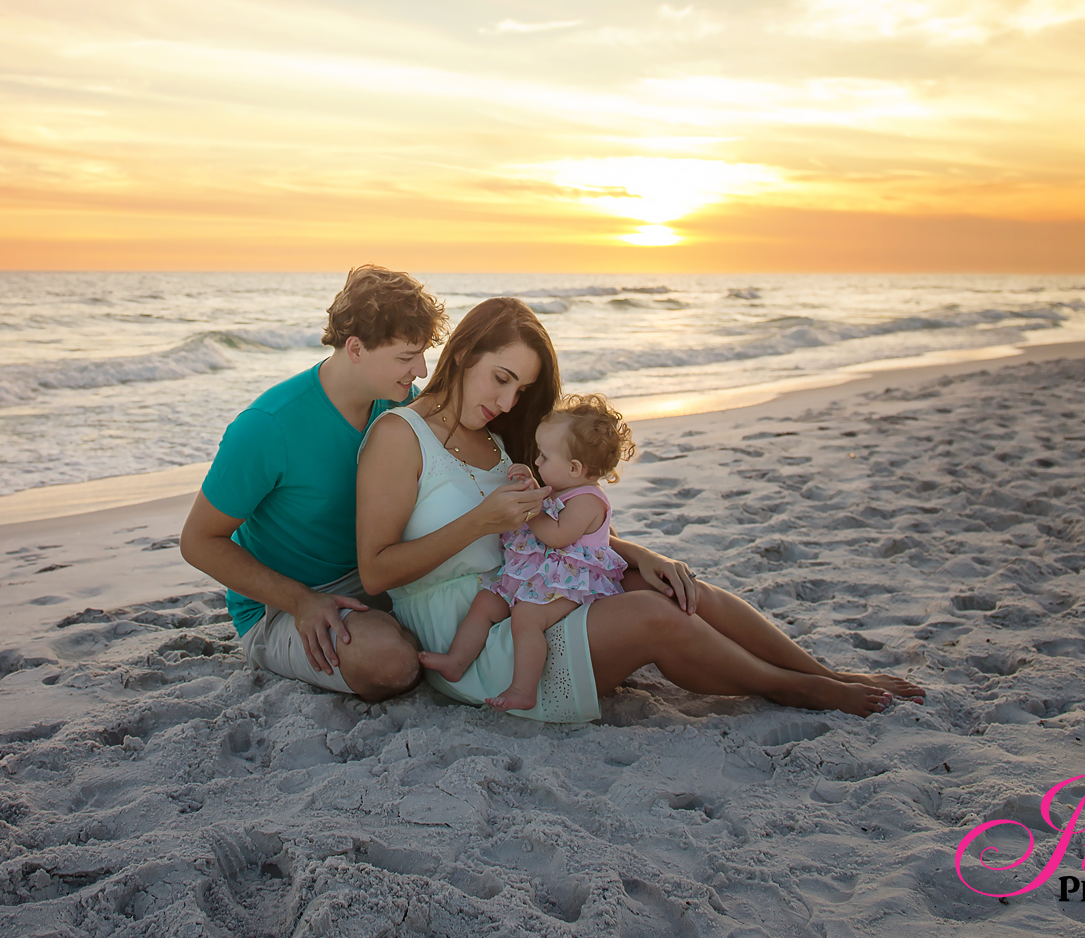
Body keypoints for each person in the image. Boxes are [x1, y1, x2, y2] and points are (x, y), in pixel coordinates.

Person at [357, 297, 925, 721]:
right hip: (473, 631)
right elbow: (376, 571)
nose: (506, 402)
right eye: (501, 379)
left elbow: (558, 526)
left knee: (679, 587)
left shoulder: (503, 440)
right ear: (463, 353)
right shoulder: (399, 434)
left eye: (519, 391)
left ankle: (821, 672)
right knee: (655, 615)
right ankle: (796, 689)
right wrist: (482, 521)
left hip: (533, 589)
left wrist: (636, 553)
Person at [178, 265, 442, 702]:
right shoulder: (267, 427)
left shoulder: (400, 403)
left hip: (378, 576)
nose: (421, 368)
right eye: (406, 356)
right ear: (356, 348)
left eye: (422, 353)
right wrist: (300, 601)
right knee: (389, 663)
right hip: (284, 605)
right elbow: (198, 541)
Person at [418, 393, 633, 712]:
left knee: (526, 618)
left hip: (568, 584)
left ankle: (523, 688)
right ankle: (456, 660)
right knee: (485, 603)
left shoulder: (588, 500)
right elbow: (546, 509)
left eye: (544, 457)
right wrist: (533, 486)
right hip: (536, 578)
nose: (537, 461)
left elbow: (557, 536)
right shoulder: (564, 487)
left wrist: (531, 508)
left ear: (574, 468)